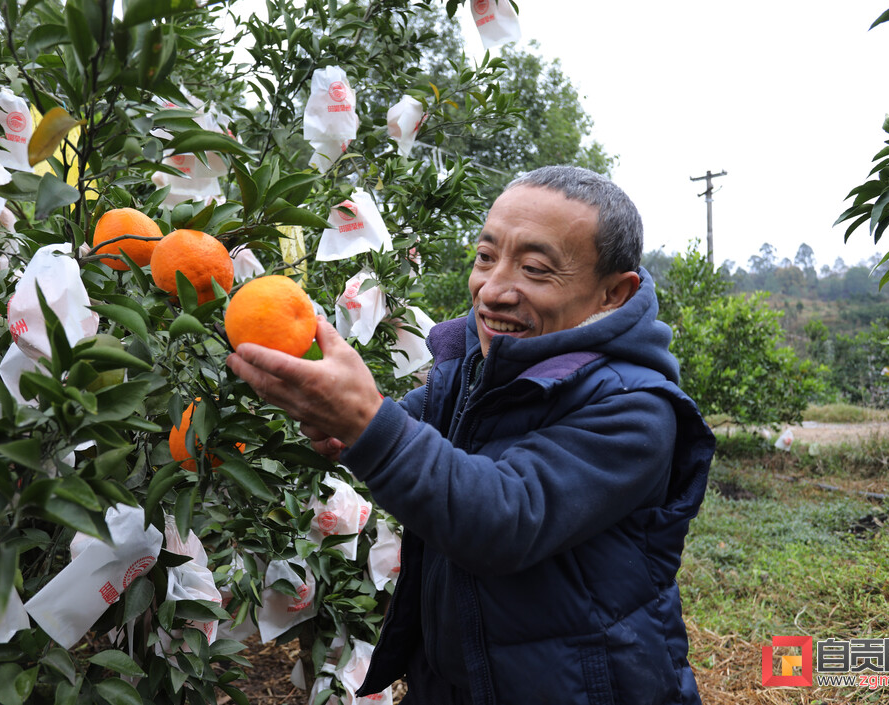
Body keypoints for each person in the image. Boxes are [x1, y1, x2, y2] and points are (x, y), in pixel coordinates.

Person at [227, 165, 715, 705]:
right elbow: (408, 438)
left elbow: (505, 518)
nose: (493, 289)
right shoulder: (475, 372)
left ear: (612, 293)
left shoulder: (635, 408)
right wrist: (341, 428)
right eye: (486, 257)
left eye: (534, 268)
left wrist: (366, 423)